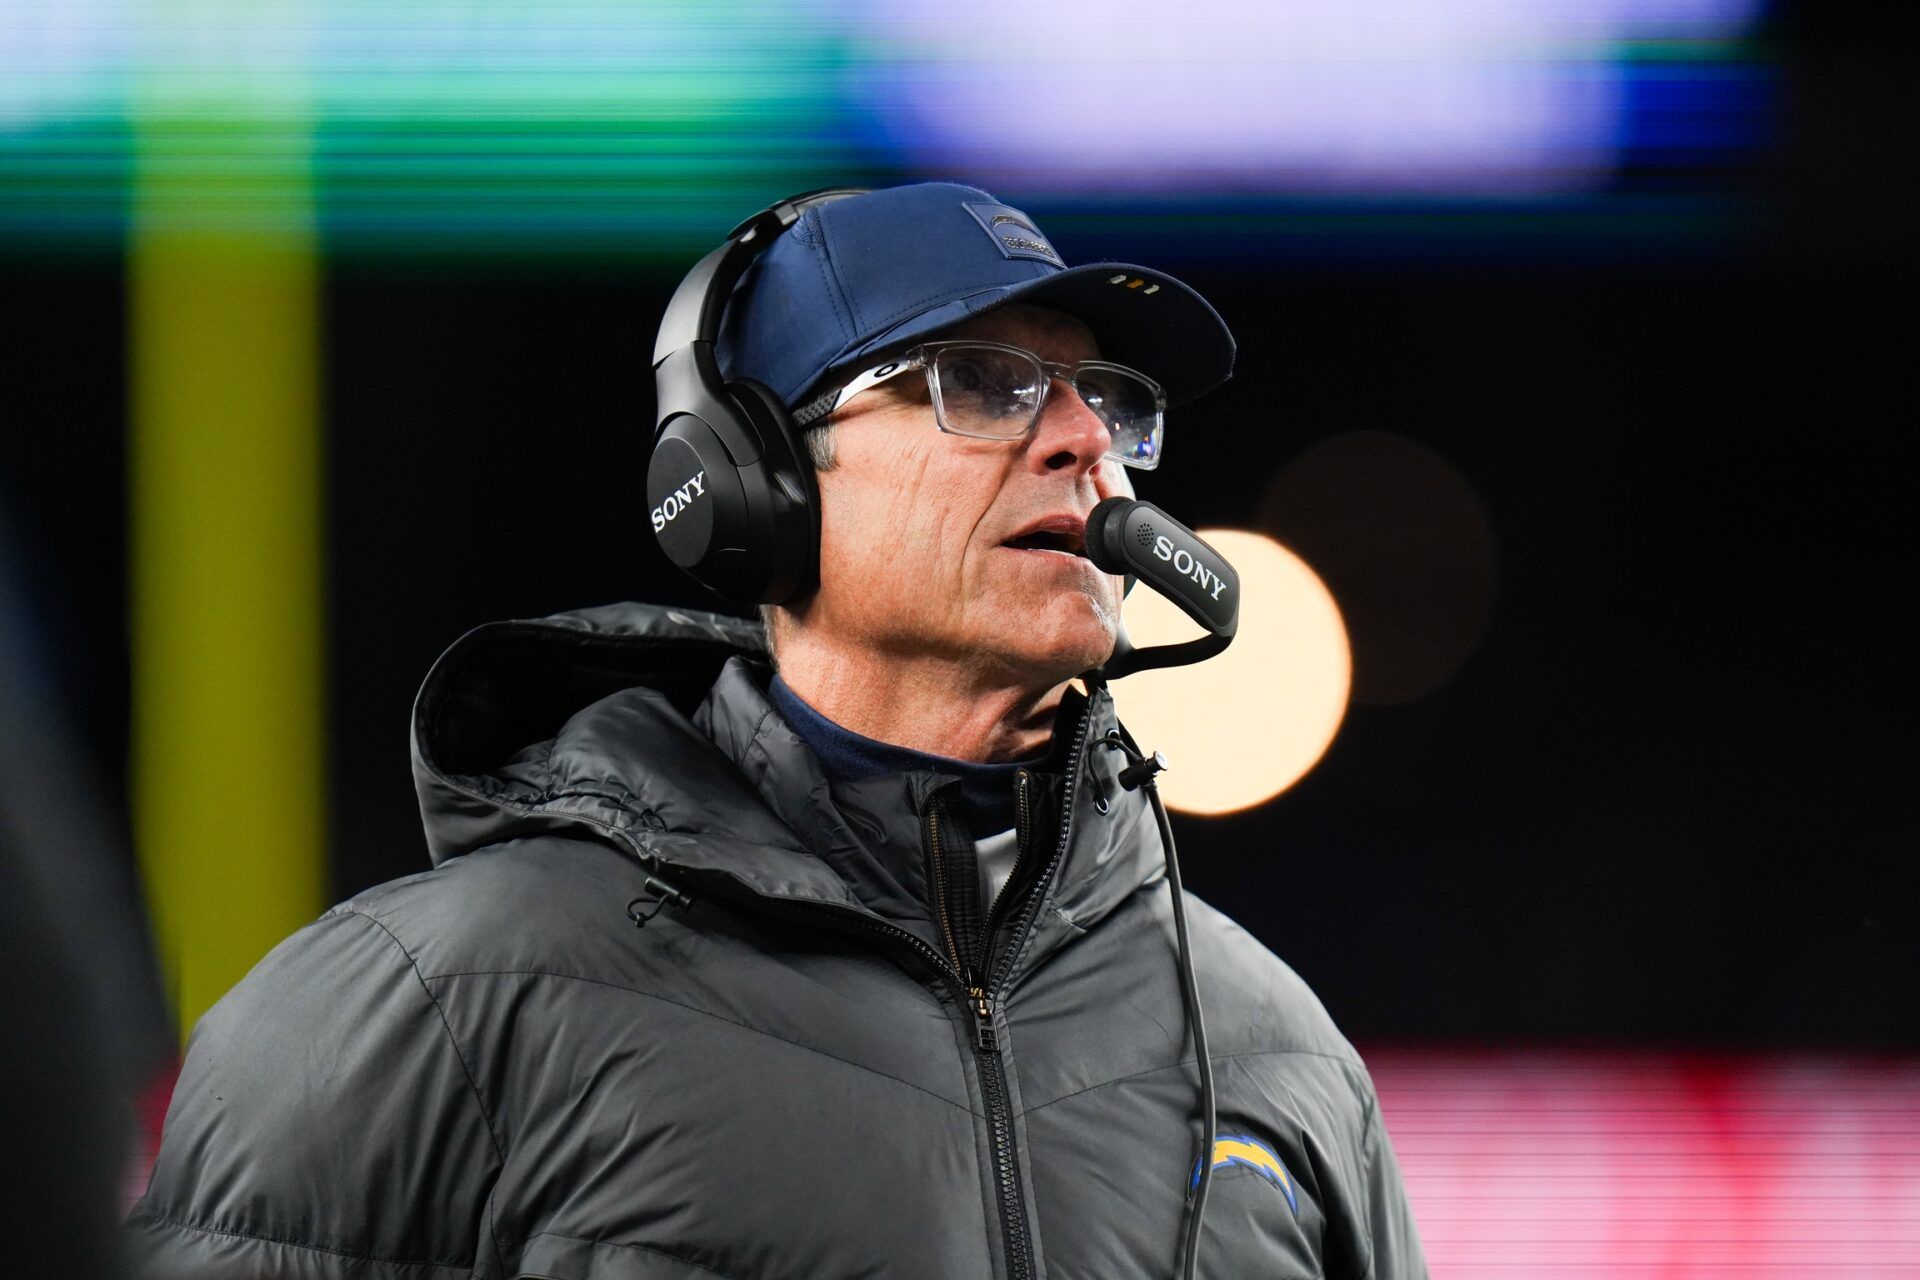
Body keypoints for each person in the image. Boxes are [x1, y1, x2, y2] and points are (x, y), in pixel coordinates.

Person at [126, 182, 1426, 1278]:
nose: (1088, 442)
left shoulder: (1279, 1051)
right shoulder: (433, 1005)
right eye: (982, 383)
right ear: (749, 486)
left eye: (1108, 400)